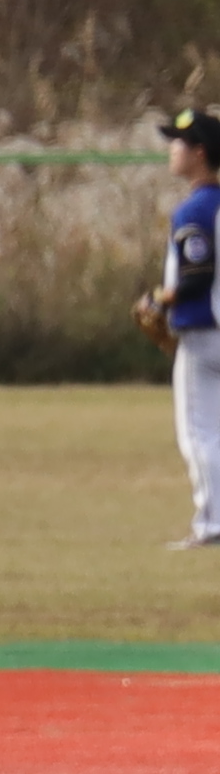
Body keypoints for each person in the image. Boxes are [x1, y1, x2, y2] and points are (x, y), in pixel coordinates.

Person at [161, 106, 220, 549]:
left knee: (198, 432)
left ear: (199, 152)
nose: (172, 150)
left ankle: (212, 523)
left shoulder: (195, 209)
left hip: (205, 334)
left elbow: (197, 272)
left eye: (178, 142)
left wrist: (159, 298)